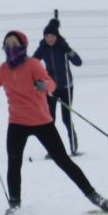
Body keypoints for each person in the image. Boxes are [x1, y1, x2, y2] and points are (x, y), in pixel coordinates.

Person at [0, 30, 108, 215]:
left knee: (63, 161)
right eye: (7, 44)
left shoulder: (33, 65)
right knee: (14, 163)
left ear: (22, 46)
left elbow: (50, 83)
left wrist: (44, 85)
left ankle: (94, 196)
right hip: (17, 123)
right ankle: (14, 204)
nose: (10, 48)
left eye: (14, 44)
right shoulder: (3, 70)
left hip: (41, 122)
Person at [32, 18, 83, 154]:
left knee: (66, 118)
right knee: (50, 119)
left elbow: (78, 62)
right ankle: (53, 149)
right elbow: (32, 64)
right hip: (51, 88)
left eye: (52, 36)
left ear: (57, 36)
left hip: (66, 86)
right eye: (47, 36)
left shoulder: (63, 46)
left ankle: (73, 146)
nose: (50, 39)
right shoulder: (42, 48)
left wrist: (69, 51)